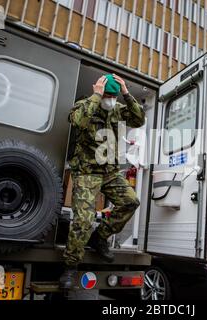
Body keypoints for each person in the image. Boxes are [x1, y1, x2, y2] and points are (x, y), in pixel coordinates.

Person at [59, 74, 145, 289]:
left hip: (110, 172)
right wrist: (97, 95)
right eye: (107, 95)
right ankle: (71, 266)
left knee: (130, 201)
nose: (110, 100)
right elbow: (77, 121)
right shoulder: (85, 105)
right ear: (97, 91)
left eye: (112, 96)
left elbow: (138, 119)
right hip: (87, 172)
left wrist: (126, 93)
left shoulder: (116, 108)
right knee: (84, 220)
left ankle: (100, 236)